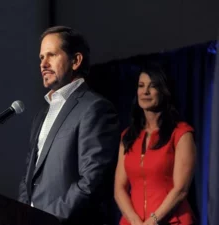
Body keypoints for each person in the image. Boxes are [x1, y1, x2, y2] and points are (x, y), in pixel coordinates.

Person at [18, 26, 120, 225]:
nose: (43, 64)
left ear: (76, 61)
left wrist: (47, 218)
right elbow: (28, 175)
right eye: (41, 58)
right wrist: (22, 213)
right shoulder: (42, 114)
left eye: (51, 55)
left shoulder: (95, 108)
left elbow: (92, 180)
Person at [114, 64, 196, 225]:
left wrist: (153, 221)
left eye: (152, 86)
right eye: (141, 86)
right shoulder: (128, 136)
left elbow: (181, 190)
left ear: (164, 91)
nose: (145, 92)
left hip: (171, 220)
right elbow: (119, 189)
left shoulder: (181, 133)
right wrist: (135, 221)